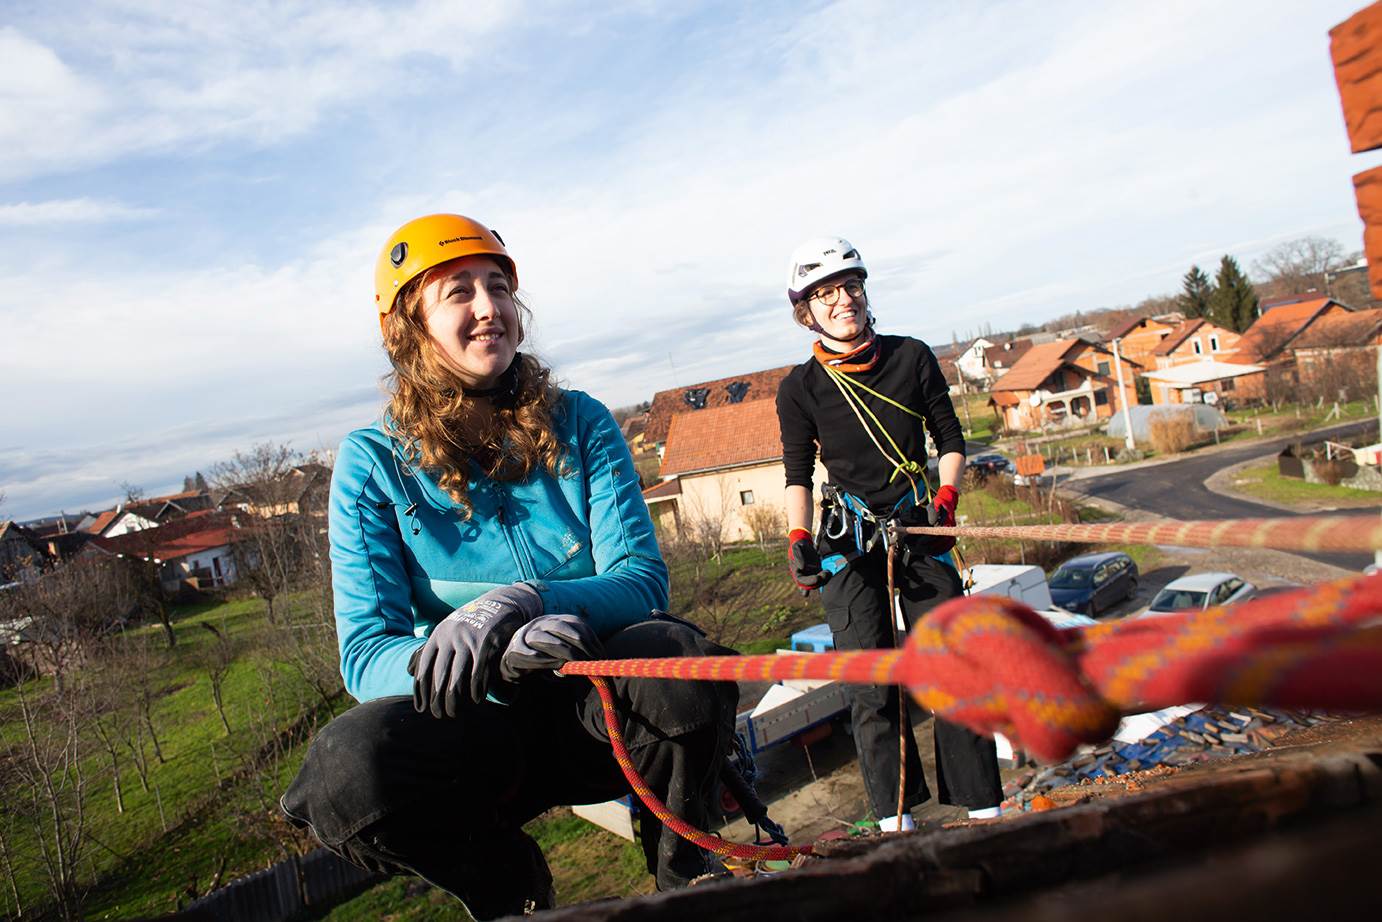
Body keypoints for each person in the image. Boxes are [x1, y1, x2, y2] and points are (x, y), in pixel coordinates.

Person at [280, 214, 737, 918]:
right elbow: (366, 656)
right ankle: (512, 891)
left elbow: (643, 581)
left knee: (677, 661)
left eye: (498, 287)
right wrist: (481, 655)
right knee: (346, 772)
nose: (489, 308)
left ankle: (689, 880)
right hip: (475, 738)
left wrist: (529, 600)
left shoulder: (580, 422)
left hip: (597, 708)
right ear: (410, 327)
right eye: (458, 292)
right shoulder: (372, 465)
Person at [774, 237, 1002, 831]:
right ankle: (895, 822)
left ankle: (983, 807)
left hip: (918, 524)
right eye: (824, 294)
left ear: (865, 292)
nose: (842, 300)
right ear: (808, 314)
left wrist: (946, 500)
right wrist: (798, 537)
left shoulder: (912, 357)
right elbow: (797, 472)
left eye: (850, 287)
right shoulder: (799, 389)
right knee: (870, 684)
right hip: (848, 537)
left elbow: (949, 439)